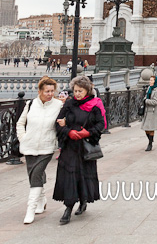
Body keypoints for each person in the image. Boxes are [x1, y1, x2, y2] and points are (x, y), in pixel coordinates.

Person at [53, 76, 106, 224]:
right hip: (70, 146)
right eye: (75, 91)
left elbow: (101, 124)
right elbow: (58, 123)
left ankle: (83, 200)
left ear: (87, 91)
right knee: (69, 176)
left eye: (80, 91)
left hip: (85, 147)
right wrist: (68, 132)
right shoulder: (69, 104)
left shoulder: (95, 105)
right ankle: (68, 208)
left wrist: (88, 133)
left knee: (83, 175)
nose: (77, 94)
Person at [17, 76, 63, 224]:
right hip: (29, 145)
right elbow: (20, 123)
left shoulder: (58, 105)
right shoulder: (31, 104)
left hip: (47, 146)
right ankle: (42, 200)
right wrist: (23, 138)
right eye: (47, 91)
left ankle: (30, 209)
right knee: (33, 175)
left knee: (36, 173)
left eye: (52, 91)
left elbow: (64, 122)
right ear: (40, 91)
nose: (50, 94)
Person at [141, 75, 157, 151]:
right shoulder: (149, 88)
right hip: (147, 111)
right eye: (150, 80)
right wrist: (145, 99)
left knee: (151, 128)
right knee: (146, 128)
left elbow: (155, 101)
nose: (150, 82)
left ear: (155, 82)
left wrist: (146, 101)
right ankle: (151, 140)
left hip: (153, 111)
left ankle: (150, 144)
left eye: (152, 80)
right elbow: (147, 97)